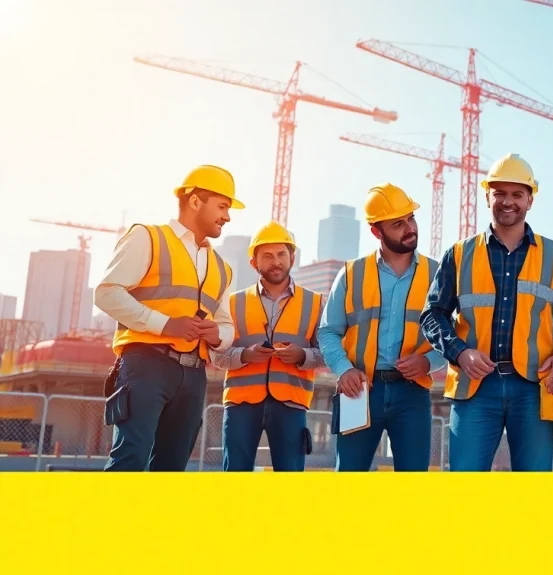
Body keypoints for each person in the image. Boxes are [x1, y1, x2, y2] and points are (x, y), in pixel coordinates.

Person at [419, 153, 553, 472]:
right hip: (475, 388)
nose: (508, 201)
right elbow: (432, 315)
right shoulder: (459, 254)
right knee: (466, 483)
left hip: (533, 387)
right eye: (500, 193)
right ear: (487, 196)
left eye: (517, 194)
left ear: (530, 200)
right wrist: (460, 353)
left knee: (532, 488)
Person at [94, 164, 241, 471]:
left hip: (194, 375)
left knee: (172, 466)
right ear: (195, 201)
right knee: (130, 459)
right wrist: (166, 325)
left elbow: (227, 326)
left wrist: (217, 335)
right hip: (146, 364)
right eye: (223, 206)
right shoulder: (148, 237)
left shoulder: (224, 268)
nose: (227, 216)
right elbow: (107, 293)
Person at [317, 184, 447, 471]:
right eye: (398, 224)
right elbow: (328, 330)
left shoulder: (438, 274)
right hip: (359, 391)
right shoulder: (352, 273)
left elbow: (455, 334)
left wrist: (428, 362)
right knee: (350, 480)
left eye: (411, 219)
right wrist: (344, 369)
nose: (409, 228)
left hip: (413, 394)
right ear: (377, 231)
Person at [212, 221, 325, 472]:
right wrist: (246, 355)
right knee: (235, 477)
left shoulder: (315, 303)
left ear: (292, 257)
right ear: (254, 263)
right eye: (268, 256)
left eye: (282, 254)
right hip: (241, 404)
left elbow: (327, 353)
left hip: (291, 404)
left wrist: (302, 356)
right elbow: (216, 356)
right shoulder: (233, 303)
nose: (276, 261)